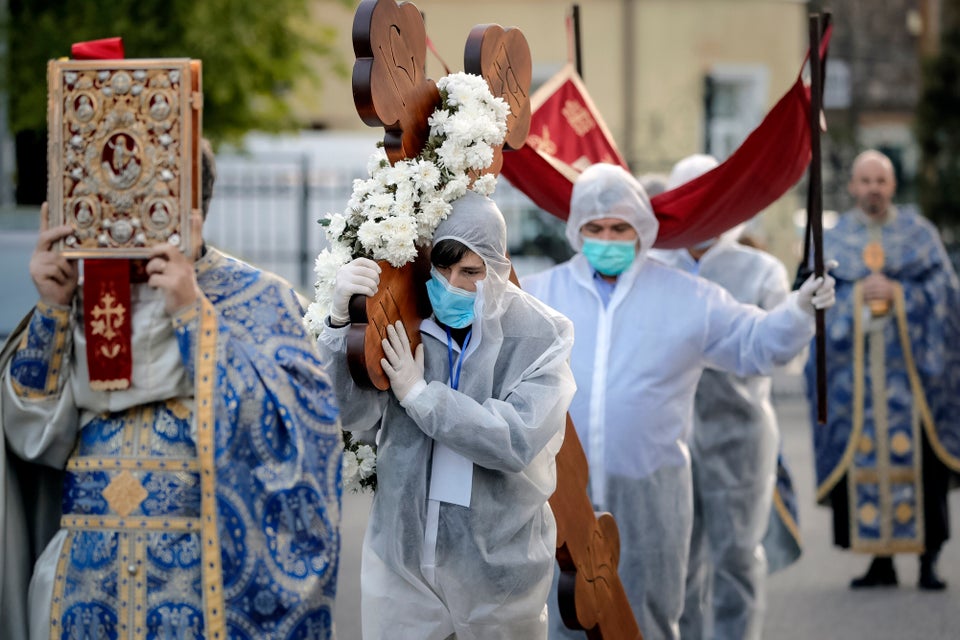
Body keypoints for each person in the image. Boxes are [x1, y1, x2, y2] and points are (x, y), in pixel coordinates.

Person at [0, 140, 343, 639]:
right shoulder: (81, 293)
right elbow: (29, 433)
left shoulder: (261, 298)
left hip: (200, 584)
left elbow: (293, 439)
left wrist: (192, 315)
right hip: (83, 579)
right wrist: (53, 309)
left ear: (190, 204)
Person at [521, 163, 835, 640]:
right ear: (577, 231)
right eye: (596, 228)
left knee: (649, 616)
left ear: (642, 230)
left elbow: (756, 342)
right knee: (565, 618)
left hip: (653, 494)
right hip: (562, 495)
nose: (607, 237)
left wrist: (798, 311)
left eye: (619, 227)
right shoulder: (542, 296)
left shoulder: (686, 297)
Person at [317, 190, 576, 639]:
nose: (452, 283)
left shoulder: (541, 335)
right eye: (442, 267)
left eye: (471, 272)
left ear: (498, 266)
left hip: (498, 574)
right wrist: (340, 326)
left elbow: (515, 439)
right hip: (403, 565)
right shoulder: (408, 319)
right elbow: (348, 412)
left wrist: (420, 395)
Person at [653, 154, 802, 640]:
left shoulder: (759, 270)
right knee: (679, 560)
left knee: (737, 557)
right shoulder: (654, 266)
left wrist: (802, 315)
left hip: (738, 436)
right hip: (669, 434)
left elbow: (783, 351)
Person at [805, 149, 960, 591]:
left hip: (914, 386)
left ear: (893, 186)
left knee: (925, 471)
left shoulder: (920, 234)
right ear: (853, 187)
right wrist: (855, 301)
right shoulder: (833, 240)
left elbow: (946, 294)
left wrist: (899, 294)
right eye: (865, 181)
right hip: (855, 385)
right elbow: (810, 301)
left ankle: (929, 560)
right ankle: (880, 562)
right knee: (861, 466)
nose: (873, 189)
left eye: (881, 181)